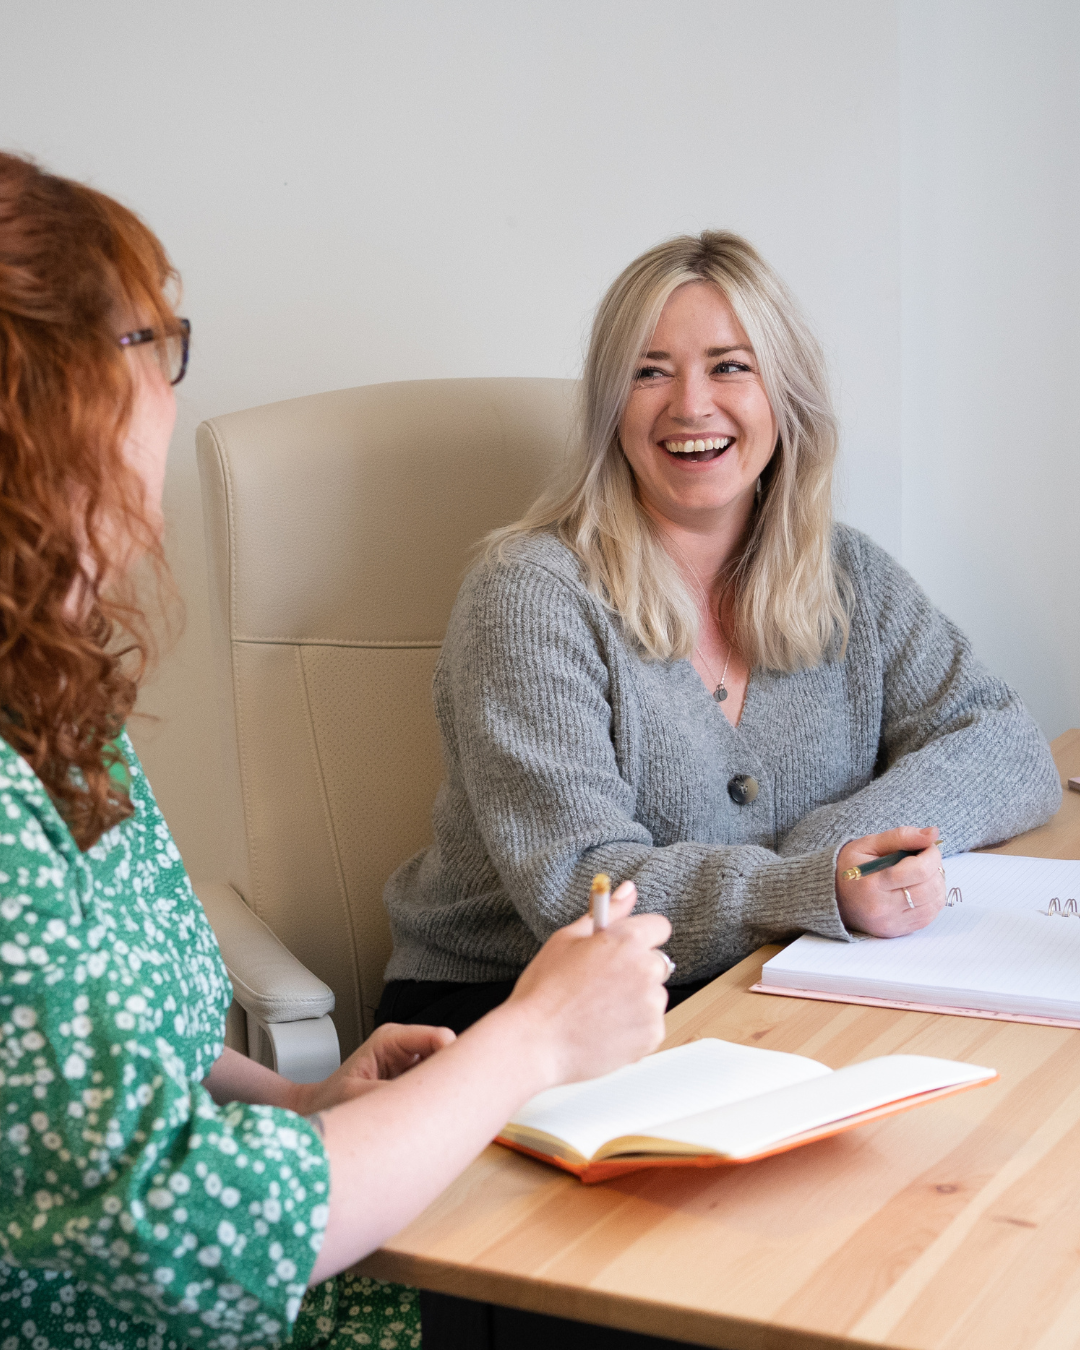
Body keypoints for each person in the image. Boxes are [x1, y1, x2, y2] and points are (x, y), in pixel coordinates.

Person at [0, 152, 674, 1350]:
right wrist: (529, 1040)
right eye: (154, 343)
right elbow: (173, 1239)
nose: (168, 390)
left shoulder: (53, 699)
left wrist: (300, 1096)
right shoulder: (530, 588)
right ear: (49, 398)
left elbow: (84, 1074)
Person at [378, 229, 1061, 1036]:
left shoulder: (846, 575)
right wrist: (808, 884)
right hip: (511, 1007)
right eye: (649, 372)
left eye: (730, 366)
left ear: (784, 394)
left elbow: (1006, 746)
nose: (691, 405)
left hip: (768, 976)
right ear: (610, 408)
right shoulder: (529, 596)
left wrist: (832, 850)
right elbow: (580, 890)